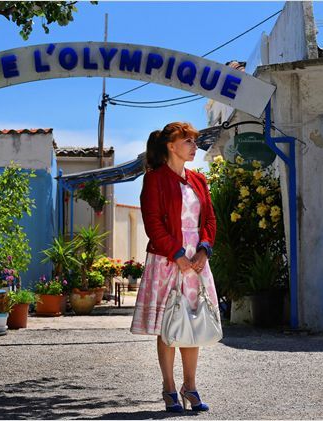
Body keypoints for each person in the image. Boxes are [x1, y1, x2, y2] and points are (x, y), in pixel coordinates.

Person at [131, 122, 219, 413]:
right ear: (171, 145)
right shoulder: (154, 179)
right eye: (189, 141)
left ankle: (190, 387)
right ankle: (169, 388)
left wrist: (204, 250)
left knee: (194, 323)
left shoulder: (199, 180)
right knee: (169, 325)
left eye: (195, 141)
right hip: (168, 260)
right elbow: (152, 222)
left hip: (196, 262)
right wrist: (177, 254)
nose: (195, 147)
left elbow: (209, 220)